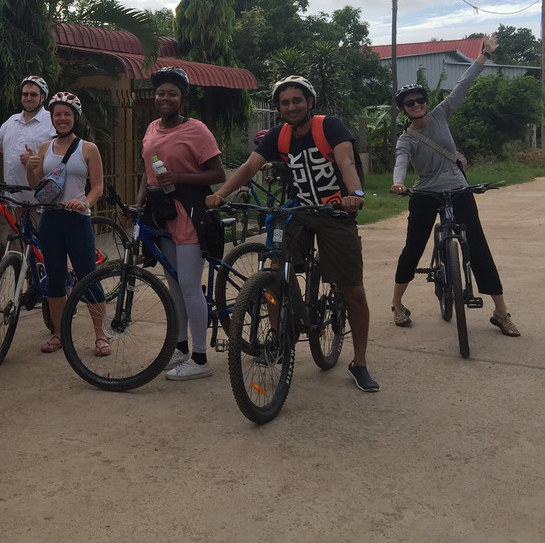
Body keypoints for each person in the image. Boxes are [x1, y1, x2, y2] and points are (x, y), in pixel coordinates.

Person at [207, 75, 379, 393]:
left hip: (335, 212)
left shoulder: (330, 126)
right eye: (284, 103)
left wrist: (354, 193)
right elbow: (248, 167)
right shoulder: (278, 135)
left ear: (310, 102)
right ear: (278, 108)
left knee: (352, 289)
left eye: (297, 100)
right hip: (299, 211)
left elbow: (346, 161)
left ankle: (360, 362)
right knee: (274, 272)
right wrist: (222, 194)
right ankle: (278, 338)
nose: (291, 107)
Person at [390, 32, 518, 337]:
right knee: (413, 248)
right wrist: (397, 183)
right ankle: (397, 304)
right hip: (424, 193)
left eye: (420, 99)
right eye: (410, 102)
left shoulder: (441, 113)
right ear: (404, 108)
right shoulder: (406, 139)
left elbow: (464, 84)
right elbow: (401, 162)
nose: (417, 104)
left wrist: (484, 55)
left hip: (458, 188)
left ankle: (501, 312)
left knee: (479, 248)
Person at [135, 68, 226, 382]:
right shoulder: (150, 128)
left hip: (189, 211)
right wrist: (138, 203)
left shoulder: (197, 130)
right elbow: (146, 171)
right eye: (161, 93)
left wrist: (180, 177)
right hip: (160, 213)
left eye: (172, 93)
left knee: (188, 285)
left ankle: (200, 358)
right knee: (173, 284)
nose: (165, 98)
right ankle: (181, 346)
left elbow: (218, 174)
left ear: (182, 98)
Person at [24, 92, 108, 355]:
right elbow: (36, 186)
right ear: (52, 117)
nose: (62, 118)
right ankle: (59, 334)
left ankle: (100, 335)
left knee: (88, 276)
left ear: (75, 117)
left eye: (67, 114)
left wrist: (85, 203)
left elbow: (98, 187)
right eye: (57, 114)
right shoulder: (44, 148)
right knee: (55, 278)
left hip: (77, 221)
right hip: (50, 218)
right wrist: (30, 166)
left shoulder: (88, 148)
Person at [0, 75, 54, 204]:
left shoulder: (51, 121)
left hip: (39, 202)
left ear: (42, 97)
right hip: (12, 199)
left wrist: (37, 163)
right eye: (25, 94)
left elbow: (60, 157)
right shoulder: (11, 121)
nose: (28, 98)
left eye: (33, 94)